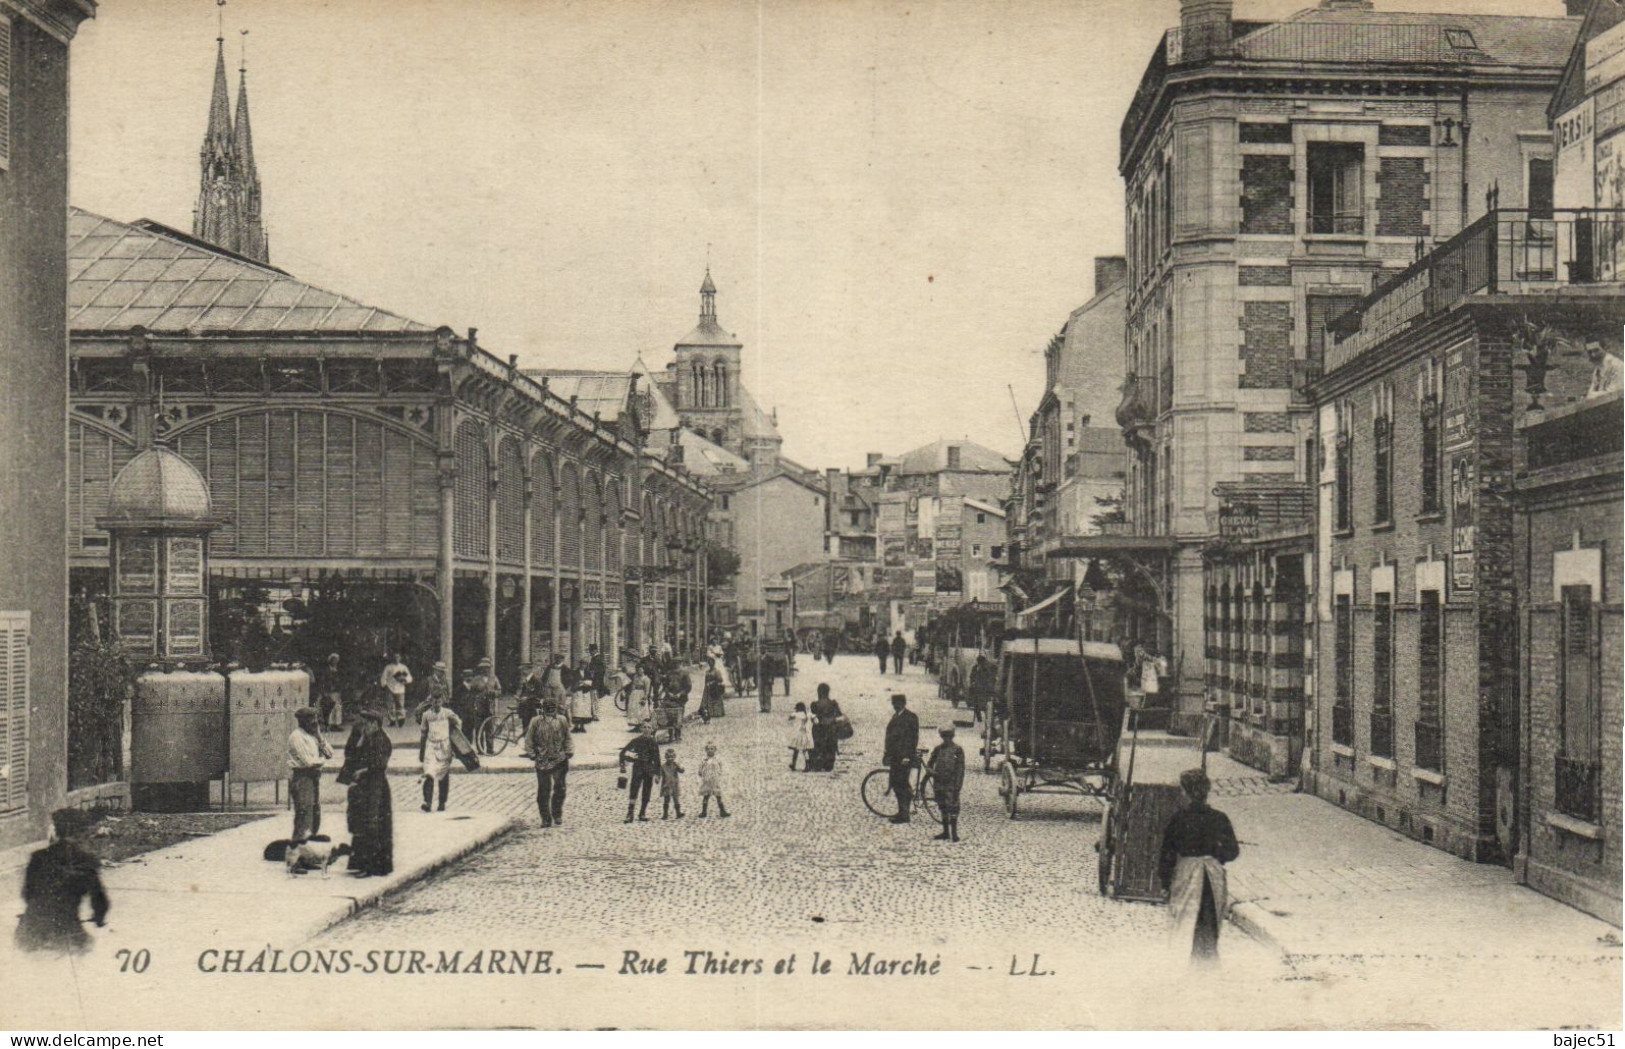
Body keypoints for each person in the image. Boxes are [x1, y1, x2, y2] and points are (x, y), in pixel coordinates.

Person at [1159, 768, 1241, 964]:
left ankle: (1184, 964)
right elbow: (1233, 851)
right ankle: (1208, 963)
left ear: (1186, 792)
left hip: (1187, 877)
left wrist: (1165, 883)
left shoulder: (1179, 819)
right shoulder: (1220, 818)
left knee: (1185, 921)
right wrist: (1214, 857)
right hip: (1213, 878)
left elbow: (1167, 854)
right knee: (1210, 920)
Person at [15, 809, 110, 954]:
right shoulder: (86, 861)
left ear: (57, 831)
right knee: (87, 952)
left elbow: (27, 894)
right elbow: (100, 902)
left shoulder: (38, 857)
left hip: (31, 931)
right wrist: (99, 919)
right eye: (86, 833)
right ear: (80, 833)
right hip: (66, 932)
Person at [342, 707, 394, 877]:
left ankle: (371, 867)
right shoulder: (368, 737)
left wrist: (363, 771)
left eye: (366, 724)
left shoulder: (381, 740)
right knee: (363, 823)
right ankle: (361, 862)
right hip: (366, 786)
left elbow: (379, 764)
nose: (363, 727)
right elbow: (352, 752)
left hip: (375, 787)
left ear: (374, 724)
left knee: (372, 824)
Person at [522, 697, 574, 828]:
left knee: (560, 788)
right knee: (543, 791)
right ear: (543, 710)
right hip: (542, 760)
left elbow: (567, 737)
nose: (550, 712)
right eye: (548, 710)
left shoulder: (562, 720)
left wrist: (569, 751)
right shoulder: (536, 722)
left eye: (552, 710)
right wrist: (532, 754)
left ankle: (557, 814)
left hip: (559, 759)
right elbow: (528, 740)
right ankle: (545, 818)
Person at [287, 707, 333, 842]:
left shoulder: (314, 736)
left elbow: (330, 753)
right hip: (302, 777)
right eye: (311, 720)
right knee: (304, 812)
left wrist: (319, 735)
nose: (314, 723)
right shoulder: (297, 737)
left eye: (315, 719)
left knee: (314, 812)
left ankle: (310, 844)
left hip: (313, 777)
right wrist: (322, 761)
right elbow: (309, 762)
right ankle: (299, 844)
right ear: (302, 721)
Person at [418, 688, 463, 813]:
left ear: (442, 701)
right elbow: (423, 734)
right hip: (431, 746)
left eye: (438, 702)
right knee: (429, 773)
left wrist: (456, 741)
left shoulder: (448, 713)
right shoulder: (426, 715)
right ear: (431, 702)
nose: (436, 704)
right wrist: (421, 751)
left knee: (443, 775)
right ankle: (427, 802)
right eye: (434, 702)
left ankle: (442, 802)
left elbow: (458, 723)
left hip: (444, 746)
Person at [882, 693, 919, 823]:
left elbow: (912, 739)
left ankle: (905, 814)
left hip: (904, 757)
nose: (894, 706)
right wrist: (886, 753)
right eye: (893, 703)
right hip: (895, 757)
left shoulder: (911, 717)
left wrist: (908, 756)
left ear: (903, 703)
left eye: (896, 703)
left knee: (902, 785)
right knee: (897, 785)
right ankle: (901, 811)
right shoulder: (896, 716)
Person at [926, 726, 965, 842]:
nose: (946, 739)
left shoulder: (958, 750)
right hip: (939, 781)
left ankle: (954, 834)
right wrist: (931, 771)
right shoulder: (938, 749)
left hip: (951, 782)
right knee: (942, 805)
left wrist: (958, 784)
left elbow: (961, 768)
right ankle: (945, 832)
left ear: (952, 736)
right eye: (944, 736)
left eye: (948, 736)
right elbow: (930, 763)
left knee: (953, 807)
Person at [618, 721, 660, 823]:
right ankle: (630, 814)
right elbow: (623, 753)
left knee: (646, 792)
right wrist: (626, 762)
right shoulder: (636, 740)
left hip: (649, 769)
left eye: (649, 727)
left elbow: (657, 759)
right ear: (641, 729)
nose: (646, 729)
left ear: (651, 730)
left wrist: (657, 774)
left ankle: (642, 813)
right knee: (634, 790)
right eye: (644, 727)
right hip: (638, 768)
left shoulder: (653, 742)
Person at [809, 683, 842, 772]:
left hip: (819, 729)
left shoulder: (815, 704)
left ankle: (818, 761)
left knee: (818, 745)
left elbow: (812, 715)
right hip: (831, 728)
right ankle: (829, 762)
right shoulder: (833, 703)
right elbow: (839, 714)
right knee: (831, 746)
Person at [379, 654, 413, 727]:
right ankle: (392, 720)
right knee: (390, 705)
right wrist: (384, 685)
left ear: (400, 658)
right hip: (390, 687)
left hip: (400, 688)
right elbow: (384, 677)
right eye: (395, 657)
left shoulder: (403, 667)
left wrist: (405, 680)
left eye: (398, 657)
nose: (396, 659)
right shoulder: (388, 667)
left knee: (400, 704)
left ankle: (401, 720)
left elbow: (409, 677)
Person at [697, 743, 729, 818]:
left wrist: (718, 774)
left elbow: (720, 768)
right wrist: (702, 774)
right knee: (706, 796)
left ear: (715, 750)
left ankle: (722, 811)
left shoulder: (717, 760)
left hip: (715, 780)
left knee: (718, 796)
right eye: (708, 749)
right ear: (706, 750)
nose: (710, 750)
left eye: (712, 749)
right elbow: (700, 770)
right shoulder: (704, 760)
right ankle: (704, 812)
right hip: (707, 781)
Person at [314, 653, 344, 731]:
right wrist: (324, 692)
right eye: (334, 660)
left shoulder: (337, 670)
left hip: (336, 691)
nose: (335, 662)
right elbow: (323, 682)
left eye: (336, 660)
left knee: (337, 707)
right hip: (330, 692)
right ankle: (331, 724)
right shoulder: (327, 671)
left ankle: (336, 724)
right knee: (331, 708)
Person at [969, 653, 998, 726]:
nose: (979, 663)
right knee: (976, 704)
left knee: (986, 705)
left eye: (980, 662)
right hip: (977, 689)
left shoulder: (990, 667)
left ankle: (987, 720)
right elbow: (971, 676)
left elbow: (992, 678)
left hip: (986, 689)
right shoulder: (975, 667)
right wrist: (972, 683)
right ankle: (979, 719)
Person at [787, 701, 814, 771]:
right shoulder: (808, 714)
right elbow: (816, 720)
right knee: (805, 750)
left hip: (799, 735)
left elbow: (790, 717)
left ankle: (794, 764)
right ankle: (808, 764)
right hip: (806, 735)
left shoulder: (797, 714)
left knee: (796, 750)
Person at [660, 748, 685, 820]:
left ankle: (678, 813)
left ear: (674, 757)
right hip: (666, 785)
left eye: (672, 757)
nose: (670, 758)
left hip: (674, 785)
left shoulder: (675, 765)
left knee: (676, 799)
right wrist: (657, 778)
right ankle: (665, 814)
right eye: (668, 757)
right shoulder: (663, 766)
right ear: (665, 757)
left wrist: (679, 767)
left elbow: (681, 771)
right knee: (666, 800)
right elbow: (660, 774)